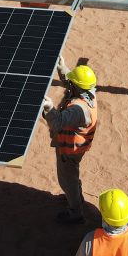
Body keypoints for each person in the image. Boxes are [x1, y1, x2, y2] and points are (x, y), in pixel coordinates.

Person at [44, 64, 98, 224]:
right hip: (76, 148)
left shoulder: (78, 110)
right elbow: (72, 81)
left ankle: (75, 212)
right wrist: (62, 67)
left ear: (76, 87)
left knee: (67, 179)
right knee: (72, 176)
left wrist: (49, 109)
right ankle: (76, 198)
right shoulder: (89, 94)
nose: (69, 83)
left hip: (69, 152)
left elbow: (57, 123)